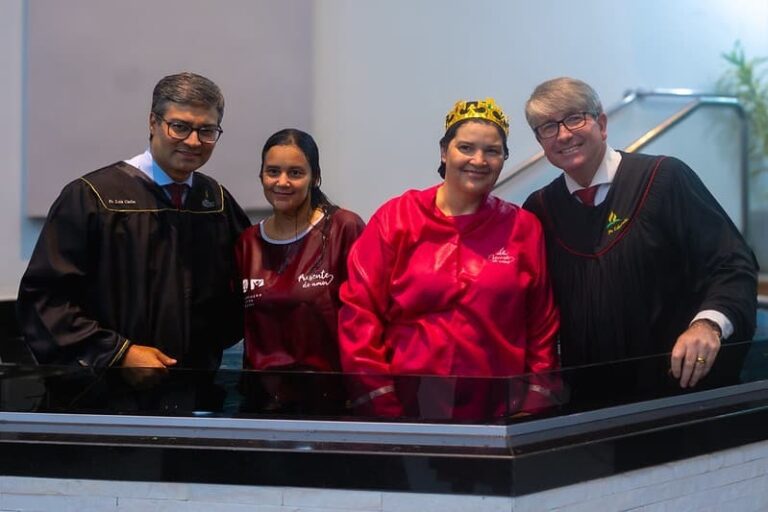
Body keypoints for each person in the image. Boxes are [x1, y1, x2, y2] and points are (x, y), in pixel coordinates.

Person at [522, 77, 758, 389]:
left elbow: (732, 265)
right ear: (541, 142)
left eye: (575, 118)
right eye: (548, 127)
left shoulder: (664, 179)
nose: (563, 135)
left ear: (602, 124)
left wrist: (707, 325)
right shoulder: (540, 210)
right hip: (588, 398)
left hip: (675, 389)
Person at [338, 98, 560, 418]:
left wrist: (533, 404)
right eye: (466, 148)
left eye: (492, 151)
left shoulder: (523, 228)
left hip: (500, 412)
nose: (478, 160)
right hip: (408, 411)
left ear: (504, 159)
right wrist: (383, 405)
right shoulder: (396, 218)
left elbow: (542, 325)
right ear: (445, 152)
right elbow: (360, 315)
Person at [17, 72, 251, 370]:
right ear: (153, 122)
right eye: (180, 127)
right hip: (108, 388)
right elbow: (45, 300)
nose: (193, 141)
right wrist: (118, 354)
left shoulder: (216, 202)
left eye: (207, 130)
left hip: (198, 385)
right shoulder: (93, 197)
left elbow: (245, 290)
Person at [235, 129, 364, 414]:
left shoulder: (343, 228)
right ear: (261, 176)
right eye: (273, 172)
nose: (282, 182)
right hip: (262, 405)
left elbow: (367, 317)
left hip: (330, 404)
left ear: (314, 177)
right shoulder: (247, 242)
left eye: (295, 173)